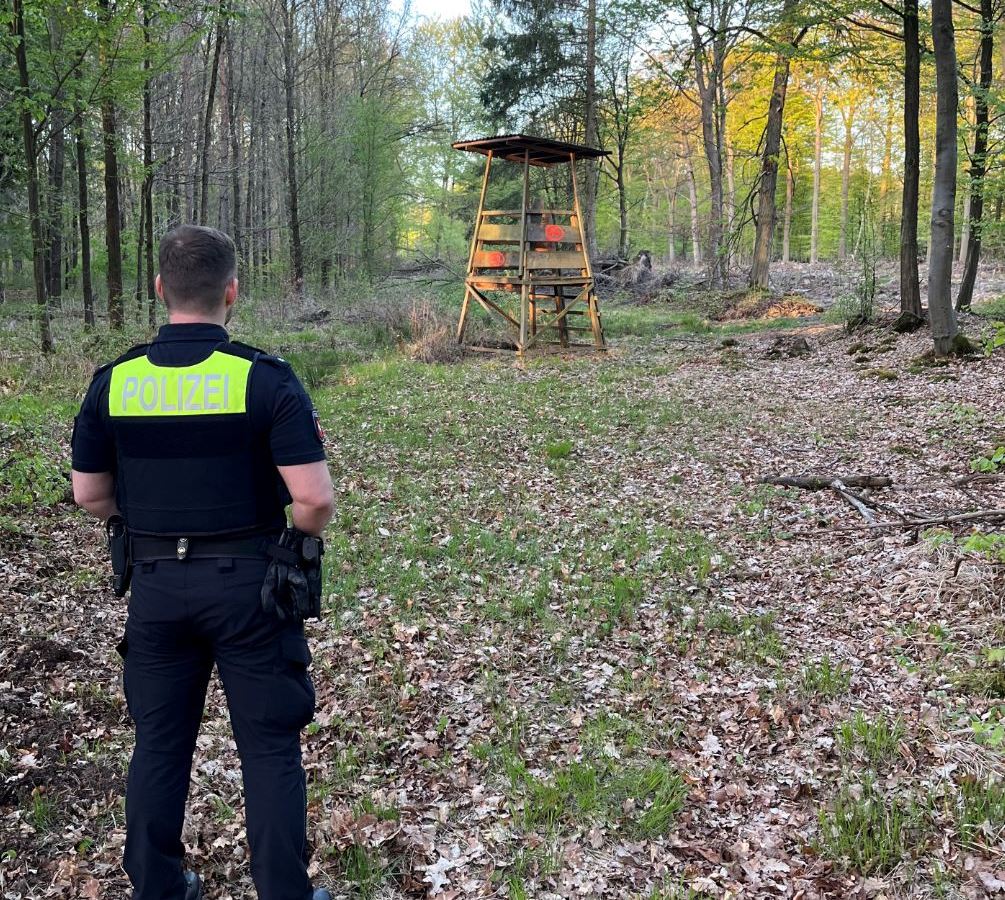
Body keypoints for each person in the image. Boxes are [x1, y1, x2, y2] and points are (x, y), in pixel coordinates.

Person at [71, 225, 335, 900]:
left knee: (159, 743)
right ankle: (283, 892)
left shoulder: (114, 382)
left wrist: (149, 524)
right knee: (269, 747)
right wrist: (287, 546)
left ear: (160, 289)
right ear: (232, 292)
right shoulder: (264, 379)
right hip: (250, 587)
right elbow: (312, 501)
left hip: (156, 586)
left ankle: (157, 887)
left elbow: (89, 495)